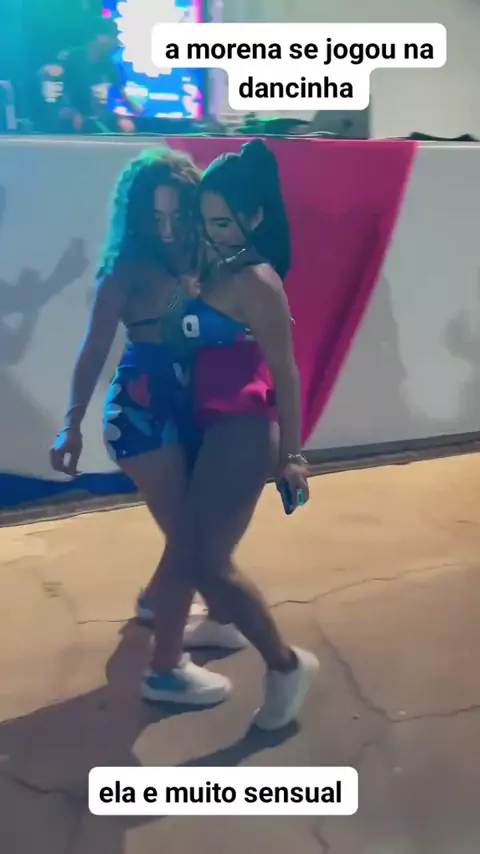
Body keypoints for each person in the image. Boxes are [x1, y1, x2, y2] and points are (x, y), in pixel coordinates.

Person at [50, 147, 244, 706]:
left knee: (203, 527)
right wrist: (71, 425)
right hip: (140, 413)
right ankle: (165, 669)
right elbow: (93, 349)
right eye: (154, 217)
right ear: (137, 216)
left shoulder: (210, 258)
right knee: (190, 539)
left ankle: (168, 604)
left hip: (193, 406)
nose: (166, 229)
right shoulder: (125, 269)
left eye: (177, 215)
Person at [145, 140, 319, 730]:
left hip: (242, 430)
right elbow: (177, 335)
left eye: (222, 222)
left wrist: (293, 456)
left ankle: (286, 665)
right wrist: (186, 295)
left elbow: (287, 373)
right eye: (206, 220)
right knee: (196, 555)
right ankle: (227, 627)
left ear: (254, 217)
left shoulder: (258, 282)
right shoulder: (213, 268)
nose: (212, 232)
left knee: (206, 564)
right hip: (205, 428)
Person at [59, 17, 139, 134]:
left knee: (126, 126)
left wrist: (133, 110)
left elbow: (120, 92)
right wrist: (73, 112)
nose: (115, 43)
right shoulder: (71, 60)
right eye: (112, 37)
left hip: (98, 116)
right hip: (71, 114)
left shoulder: (109, 65)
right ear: (99, 37)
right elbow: (61, 94)